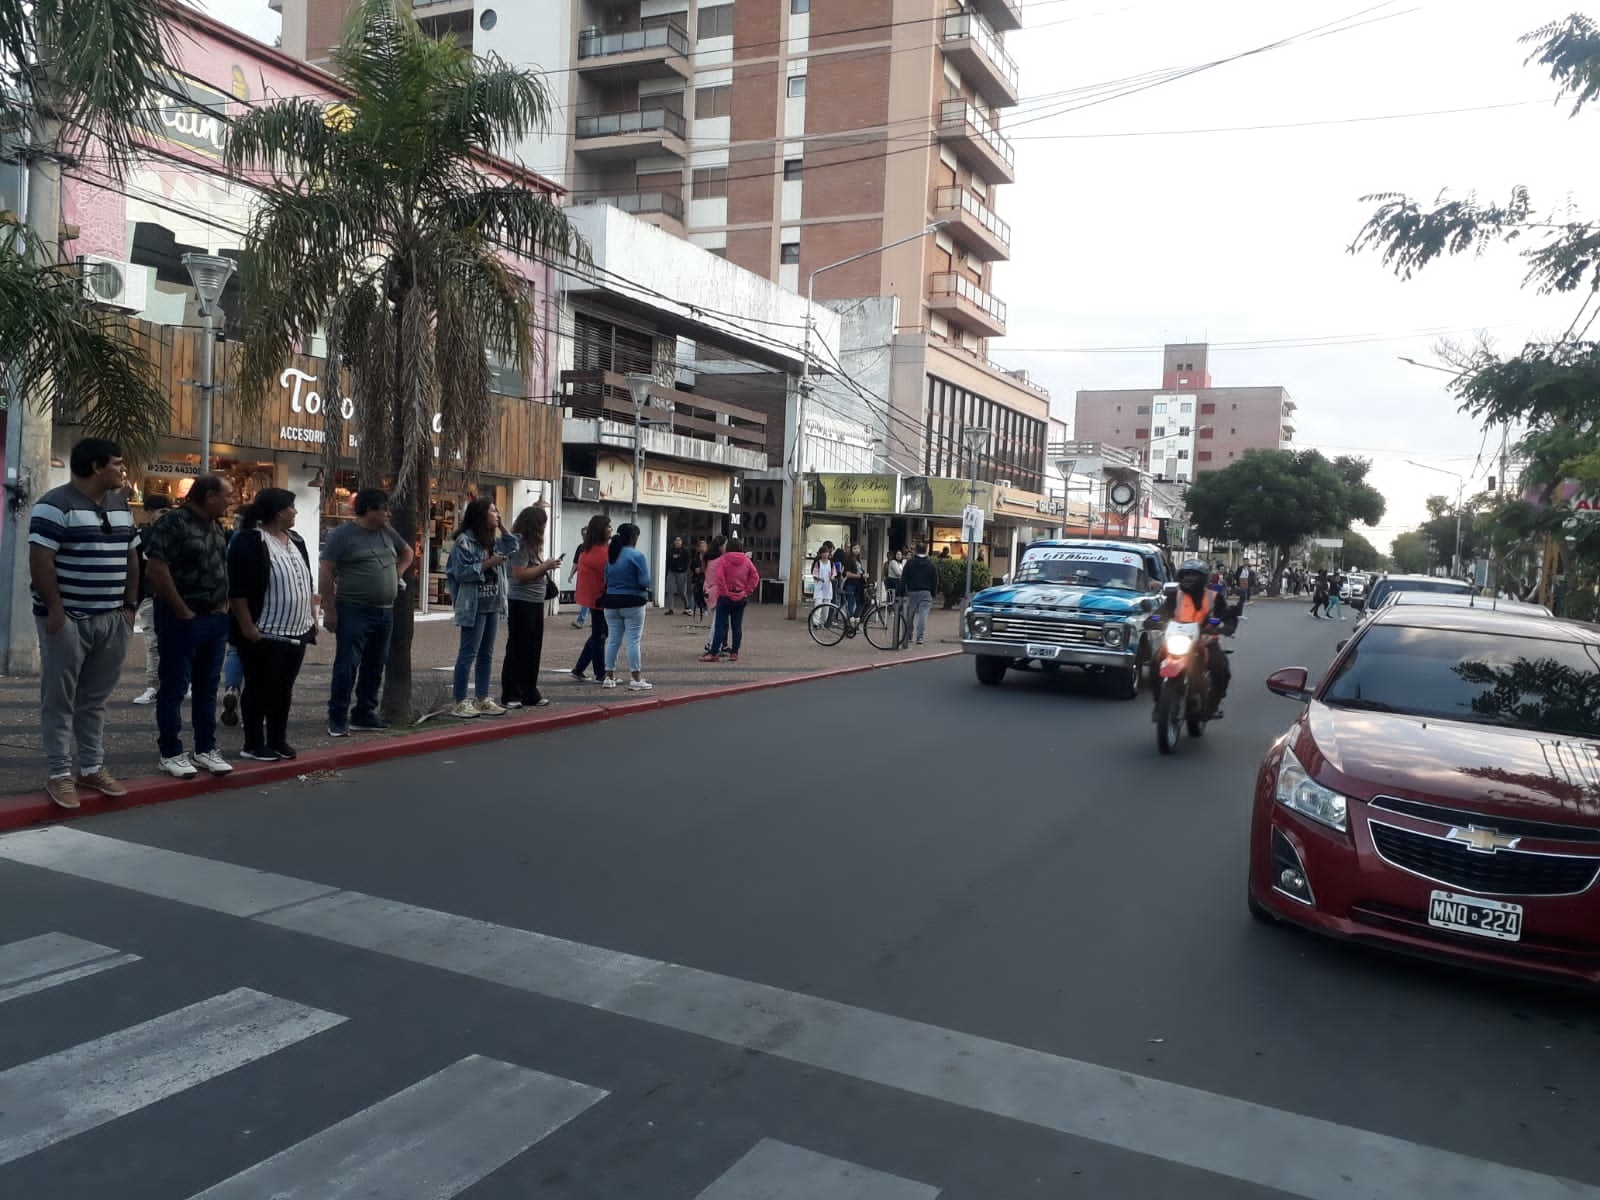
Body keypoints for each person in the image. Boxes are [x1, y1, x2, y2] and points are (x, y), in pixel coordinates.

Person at [28, 437, 140, 808]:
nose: (123, 471)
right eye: (117, 463)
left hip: (111, 618)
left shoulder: (120, 506)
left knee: (94, 699)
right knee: (59, 699)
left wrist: (129, 607)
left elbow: (131, 557)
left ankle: (90, 767)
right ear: (96, 467)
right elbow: (41, 561)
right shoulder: (53, 506)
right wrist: (56, 610)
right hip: (68, 620)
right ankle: (60, 774)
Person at [144, 473, 234, 779]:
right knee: (174, 686)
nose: (231, 501)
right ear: (209, 496)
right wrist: (181, 610)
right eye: (227, 495)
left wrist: (225, 606)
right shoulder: (173, 523)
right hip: (181, 618)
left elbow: (222, 566)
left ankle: (205, 748)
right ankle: (170, 752)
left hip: (215, 618)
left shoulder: (218, 527)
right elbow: (157, 568)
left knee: (208, 687)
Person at [227, 488, 316, 761]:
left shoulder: (296, 540)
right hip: (265, 630)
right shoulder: (250, 541)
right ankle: (253, 742)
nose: (296, 512)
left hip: (297, 629)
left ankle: (278, 739)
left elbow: (306, 578)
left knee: (283, 689)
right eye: (292, 507)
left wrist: (312, 615)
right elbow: (238, 589)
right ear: (279, 512)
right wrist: (246, 625)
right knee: (259, 688)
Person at [320, 487, 415, 736]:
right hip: (353, 609)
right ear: (369, 510)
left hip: (384, 611)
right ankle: (337, 716)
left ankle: (364, 713)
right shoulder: (343, 535)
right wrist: (328, 608)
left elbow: (408, 552)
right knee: (347, 664)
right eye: (383, 509)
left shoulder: (386, 533)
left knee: (375, 664)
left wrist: (397, 572)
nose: (388, 513)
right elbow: (326, 571)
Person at [445, 497, 517, 718]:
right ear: (481, 515)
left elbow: (513, 544)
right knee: (468, 653)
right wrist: (488, 564)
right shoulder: (465, 541)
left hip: (493, 603)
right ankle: (460, 700)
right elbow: (460, 572)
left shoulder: (492, 539)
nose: (496, 514)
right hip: (473, 604)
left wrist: (502, 525)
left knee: (487, 653)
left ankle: (483, 697)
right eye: (493, 511)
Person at [1156, 557, 1234, 717]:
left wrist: (1225, 627)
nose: (1189, 580)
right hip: (1177, 639)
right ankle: (1159, 703)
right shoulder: (1175, 596)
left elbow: (1227, 617)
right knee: (1154, 663)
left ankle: (1213, 705)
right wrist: (1152, 620)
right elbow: (1160, 613)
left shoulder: (1214, 597)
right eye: (1186, 576)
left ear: (1203, 578)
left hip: (1205, 642)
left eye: (1194, 576)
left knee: (1221, 669)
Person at [501, 506, 561, 709]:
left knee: (533, 648)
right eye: (542, 524)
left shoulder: (533, 547)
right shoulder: (519, 545)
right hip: (521, 601)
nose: (544, 528)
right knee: (518, 647)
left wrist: (545, 565)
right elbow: (519, 575)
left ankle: (529, 691)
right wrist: (545, 567)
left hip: (535, 602)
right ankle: (511, 692)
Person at [132, 493, 172, 705]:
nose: (164, 516)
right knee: (153, 643)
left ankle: (181, 682)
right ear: (149, 513)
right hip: (150, 597)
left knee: (178, 641)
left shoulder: (178, 533)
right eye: (160, 511)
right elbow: (136, 567)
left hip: (175, 596)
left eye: (168, 511)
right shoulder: (143, 535)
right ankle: (153, 685)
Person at [602, 522, 653, 690]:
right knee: (633, 640)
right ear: (633, 537)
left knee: (613, 640)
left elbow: (606, 579)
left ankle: (608, 677)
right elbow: (645, 581)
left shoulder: (611, 555)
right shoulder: (637, 556)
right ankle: (635, 678)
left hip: (611, 602)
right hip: (633, 602)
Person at [700, 537, 760, 663]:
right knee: (737, 626)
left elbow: (719, 577)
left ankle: (714, 653)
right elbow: (755, 576)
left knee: (720, 626)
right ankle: (734, 653)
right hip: (740, 596)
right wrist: (747, 591)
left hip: (725, 597)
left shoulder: (724, 559)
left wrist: (724, 591)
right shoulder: (746, 560)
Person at [570, 515, 612, 682]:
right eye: (608, 526)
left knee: (599, 634)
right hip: (599, 598)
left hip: (596, 598)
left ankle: (579, 668)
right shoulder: (599, 552)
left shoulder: (589, 549)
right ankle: (600, 673)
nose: (611, 529)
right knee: (600, 636)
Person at [900, 542, 940, 646]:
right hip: (926, 592)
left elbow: (903, 578)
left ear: (916, 551)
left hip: (912, 592)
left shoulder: (910, 563)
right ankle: (920, 637)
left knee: (910, 615)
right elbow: (935, 580)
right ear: (926, 551)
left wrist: (900, 592)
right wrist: (933, 593)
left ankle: (908, 636)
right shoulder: (931, 564)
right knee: (923, 615)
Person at [665, 535, 691, 615]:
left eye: (679, 540)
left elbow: (687, 561)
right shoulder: (670, 550)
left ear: (681, 542)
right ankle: (671, 609)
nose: (677, 542)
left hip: (681, 573)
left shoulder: (685, 551)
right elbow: (668, 560)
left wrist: (683, 568)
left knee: (682, 591)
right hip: (671, 572)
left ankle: (687, 607)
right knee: (670, 590)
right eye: (676, 540)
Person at [810, 542, 835, 622]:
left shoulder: (831, 563)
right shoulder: (818, 563)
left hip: (828, 588)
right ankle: (816, 622)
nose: (825, 554)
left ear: (828, 553)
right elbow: (814, 574)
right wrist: (820, 579)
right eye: (823, 553)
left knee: (826, 607)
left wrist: (832, 578)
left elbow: (833, 574)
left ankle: (823, 622)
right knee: (818, 604)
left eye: (826, 552)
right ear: (820, 554)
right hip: (819, 587)